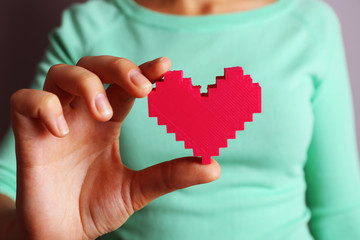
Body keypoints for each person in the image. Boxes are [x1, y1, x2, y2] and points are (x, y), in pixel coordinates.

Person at [1, 0, 360, 239]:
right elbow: (12, 181)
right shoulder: (90, 27)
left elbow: (342, 216)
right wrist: (32, 233)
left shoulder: (310, 24)